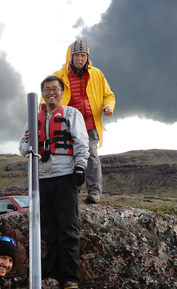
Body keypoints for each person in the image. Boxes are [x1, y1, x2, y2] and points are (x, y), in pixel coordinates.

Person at [19, 76, 89, 289]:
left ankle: (70, 278)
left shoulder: (71, 114)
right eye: (47, 89)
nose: (51, 92)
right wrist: (29, 141)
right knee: (48, 230)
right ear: (42, 93)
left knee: (68, 227)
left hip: (65, 176)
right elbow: (22, 148)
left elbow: (81, 141)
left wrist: (80, 167)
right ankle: (51, 274)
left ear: (61, 92)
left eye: (55, 89)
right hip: (41, 180)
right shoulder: (34, 118)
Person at [42, 39, 115, 205]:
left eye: (83, 55)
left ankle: (94, 193)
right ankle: (71, 193)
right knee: (68, 157)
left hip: (90, 123)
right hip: (67, 124)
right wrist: (44, 105)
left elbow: (109, 95)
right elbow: (48, 92)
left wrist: (108, 106)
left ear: (87, 57)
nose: (80, 59)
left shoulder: (97, 74)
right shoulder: (60, 75)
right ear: (71, 56)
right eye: (76, 55)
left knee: (92, 157)